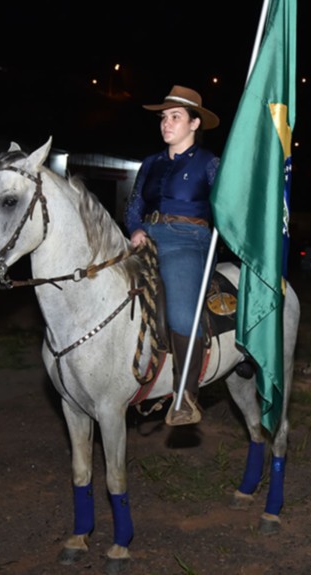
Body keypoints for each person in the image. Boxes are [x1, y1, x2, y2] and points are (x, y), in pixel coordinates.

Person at [124, 85, 220, 426]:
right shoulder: (150, 163)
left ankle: (186, 395)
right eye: (164, 117)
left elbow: (227, 207)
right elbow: (134, 206)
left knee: (181, 312)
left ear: (194, 124)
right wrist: (135, 228)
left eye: (175, 117)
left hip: (187, 240)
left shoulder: (210, 164)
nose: (166, 123)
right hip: (146, 237)